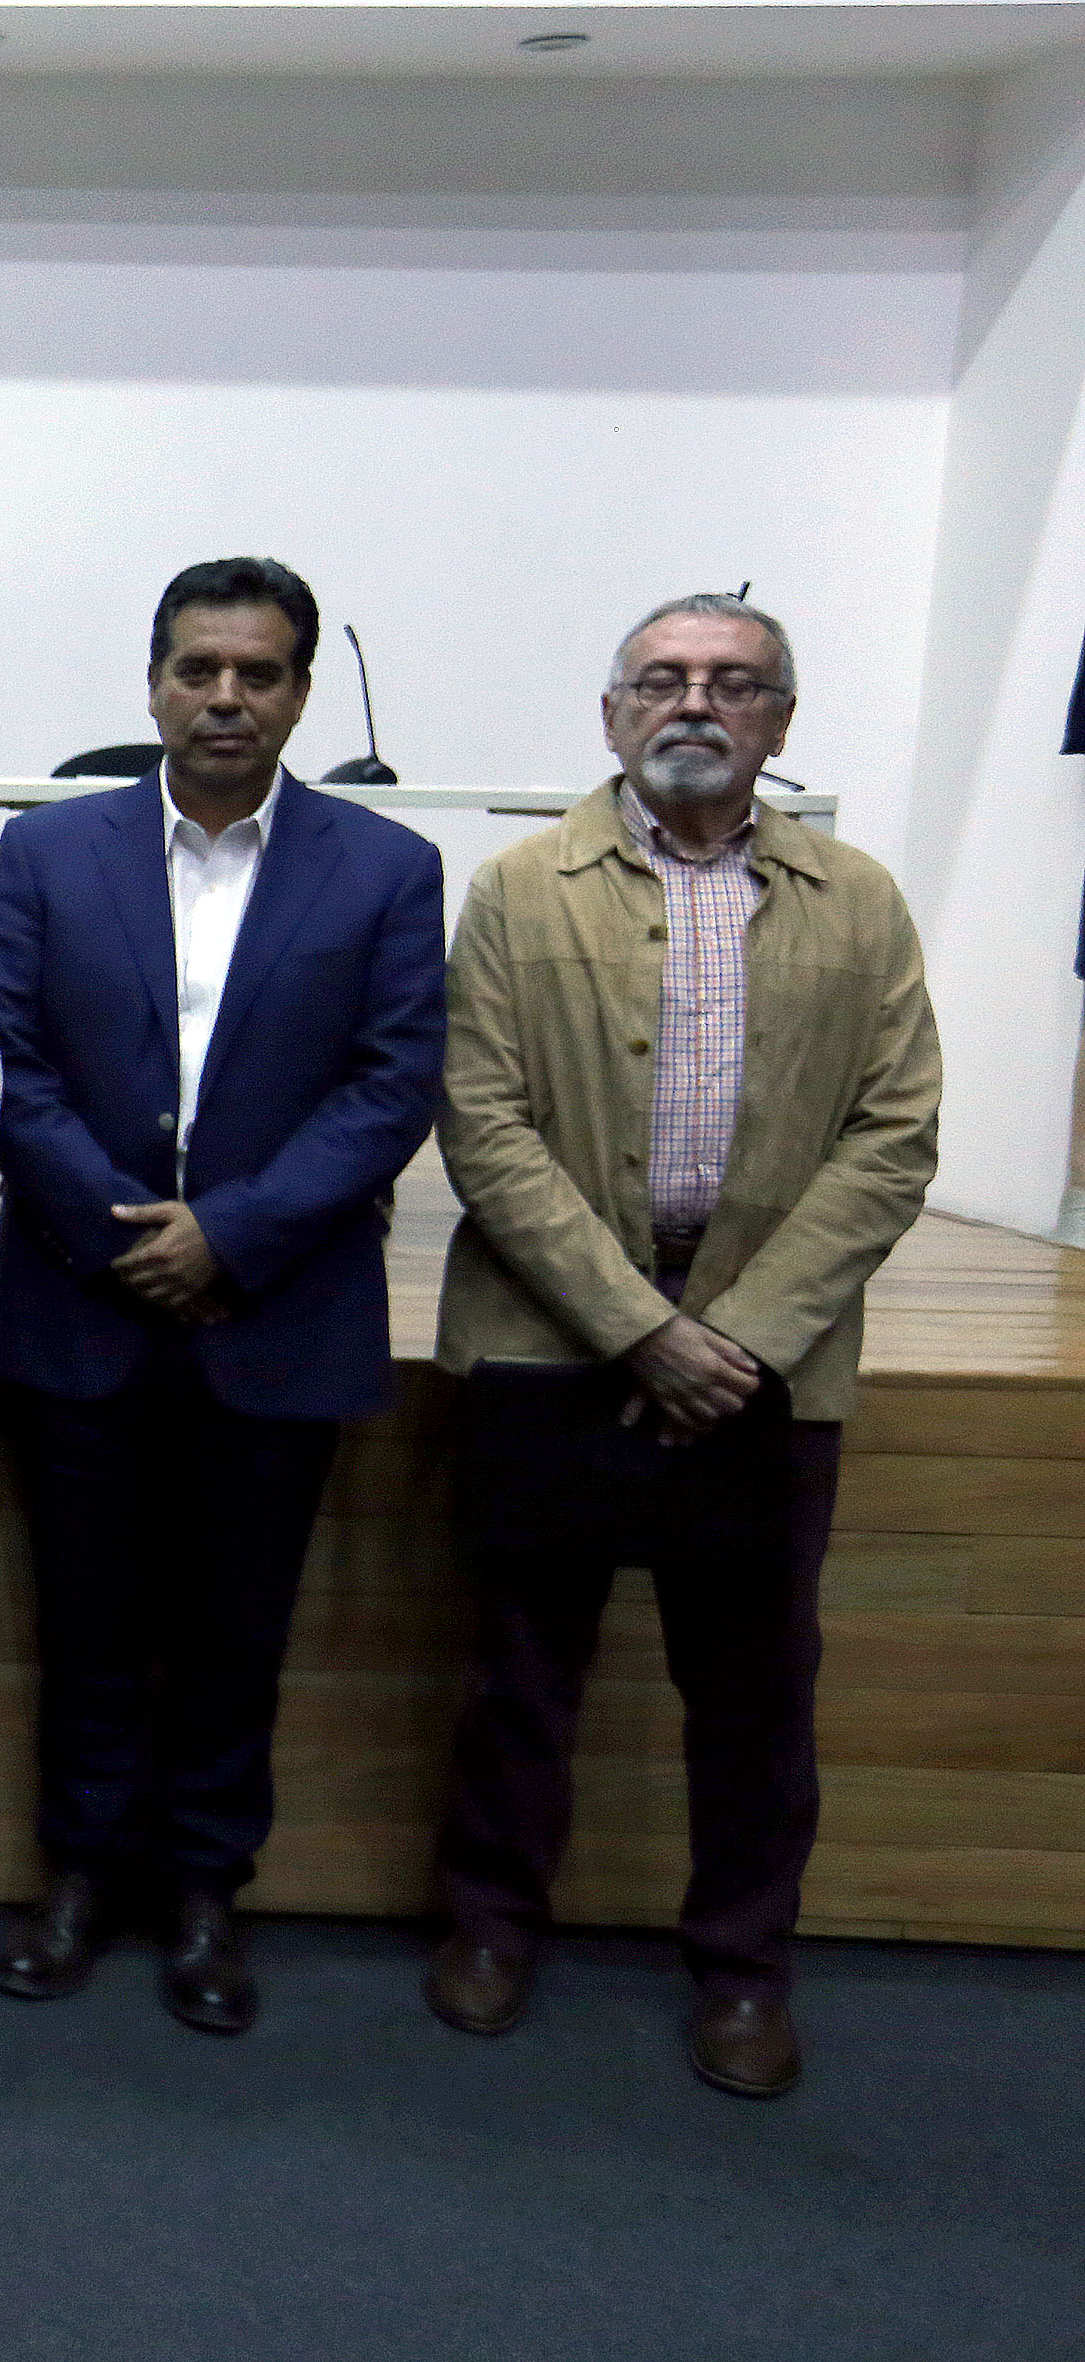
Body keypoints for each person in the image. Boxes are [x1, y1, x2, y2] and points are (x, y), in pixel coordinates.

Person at [425, 594, 938, 2099]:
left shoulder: (858, 900)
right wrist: (641, 1326)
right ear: (611, 713)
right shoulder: (519, 890)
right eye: (661, 678)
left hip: (769, 1363)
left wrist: (742, 1334)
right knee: (519, 1675)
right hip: (550, 1341)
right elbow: (482, 1122)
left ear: (781, 720)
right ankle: (488, 1924)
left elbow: (893, 1134)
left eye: (732, 681)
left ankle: (742, 1967)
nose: (694, 702)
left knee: (756, 1693)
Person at [0, 556, 445, 2034]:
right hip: (84, 1300)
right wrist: (127, 1232)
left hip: (275, 1311)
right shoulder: (48, 851)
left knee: (238, 1632)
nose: (224, 696)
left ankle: (201, 1893)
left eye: (257, 673)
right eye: (197, 669)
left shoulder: (384, 868)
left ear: (298, 694)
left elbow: (390, 1086)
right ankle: (76, 1874)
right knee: (87, 1623)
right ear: (154, 683)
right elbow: (4, 1063)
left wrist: (228, 1235)